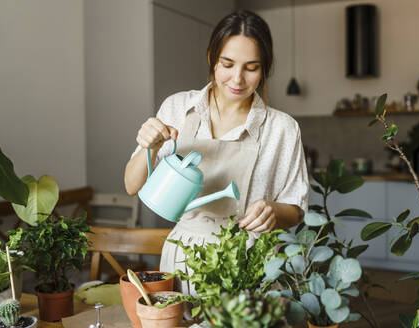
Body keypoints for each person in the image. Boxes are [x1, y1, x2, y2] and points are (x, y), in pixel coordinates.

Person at [124, 10, 309, 296]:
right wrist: (150, 146)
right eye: (227, 63)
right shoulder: (177, 109)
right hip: (183, 261)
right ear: (212, 57)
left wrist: (273, 211)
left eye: (252, 67)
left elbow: (296, 210)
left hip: (250, 265)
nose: (237, 78)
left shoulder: (282, 128)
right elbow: (131, 185)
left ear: (264, 69)